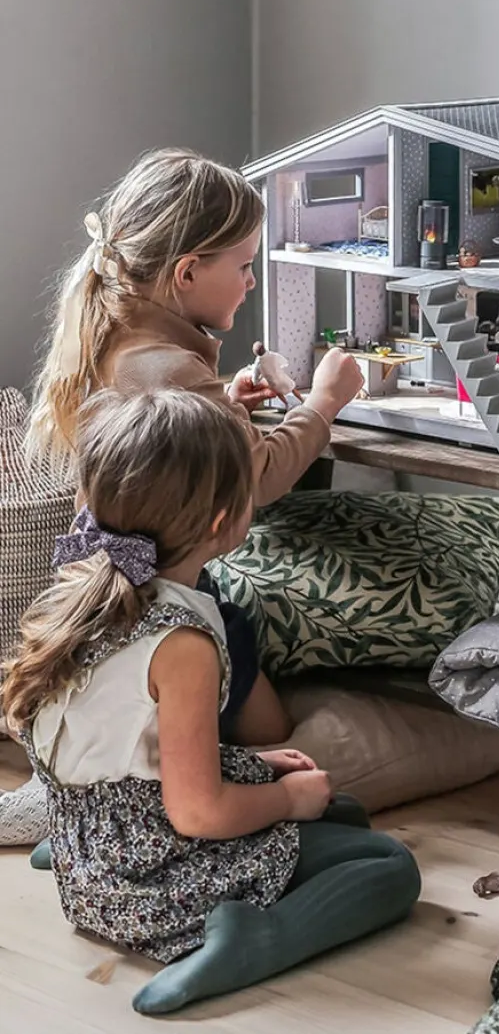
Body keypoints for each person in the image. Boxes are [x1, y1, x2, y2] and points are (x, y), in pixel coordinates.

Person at [2, 391, 420, 1018]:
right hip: (151, 879)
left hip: (88, 861)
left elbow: (129, 743)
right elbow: (197, 812)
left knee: (341, 811)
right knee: (388, 865)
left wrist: (254, 769)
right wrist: (283, 800)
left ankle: (69, 849)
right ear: (224, 520)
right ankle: (252, 941)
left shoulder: (86, 589)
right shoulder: (181, 644)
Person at [27, 148, 364, 745]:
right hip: (166, 588)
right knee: (271, 727)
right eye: (244, 267)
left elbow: (156, 442)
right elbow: (256, 477)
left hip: (111, 575)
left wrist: (225, 406)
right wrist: (323, 404)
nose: (252, 281)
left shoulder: (115, 335)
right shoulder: (171, 369)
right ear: (186, 273)